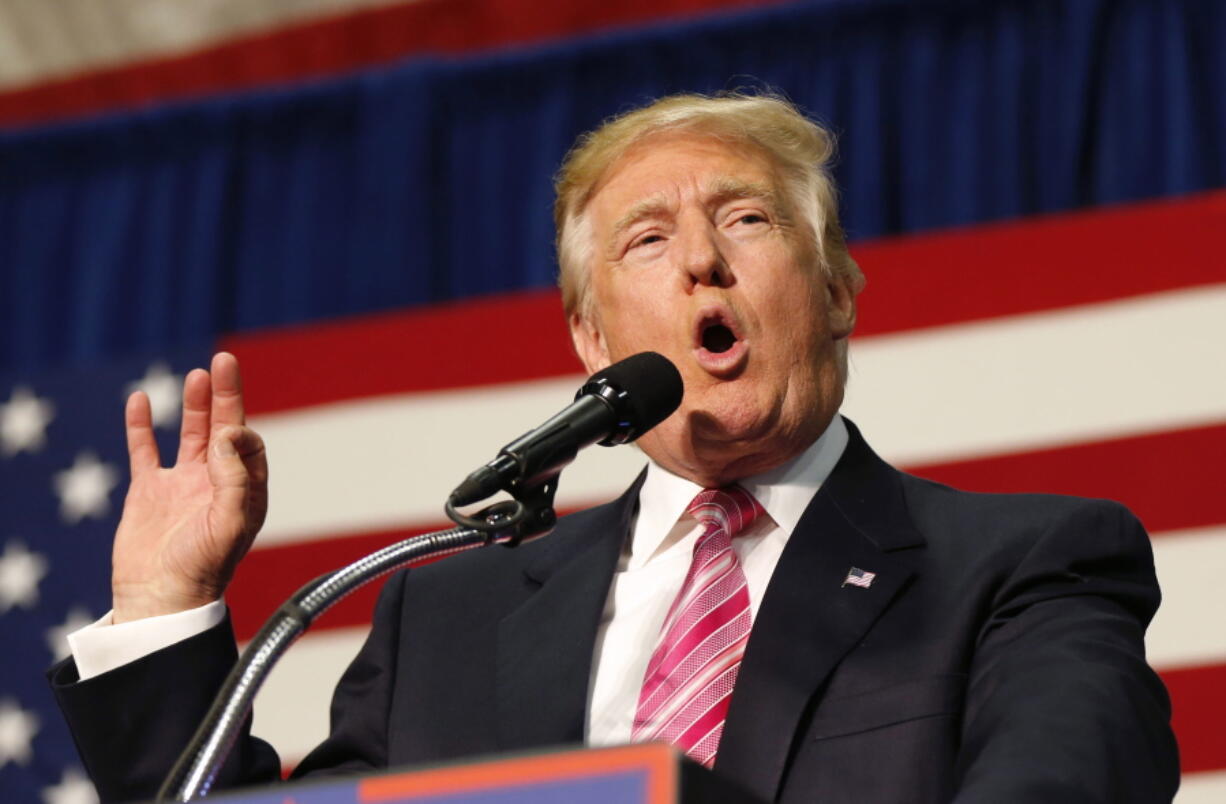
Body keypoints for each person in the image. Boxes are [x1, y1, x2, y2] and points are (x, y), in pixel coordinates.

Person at [51, 92, 1179, 803]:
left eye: (744, 220)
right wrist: (163, 609)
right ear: (590, 337)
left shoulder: (1026, 563)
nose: (700, 262)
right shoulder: (445, 621)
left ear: (834, 291)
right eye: (647, 239)